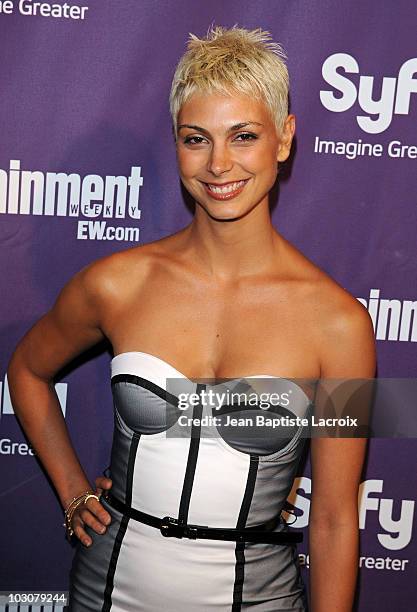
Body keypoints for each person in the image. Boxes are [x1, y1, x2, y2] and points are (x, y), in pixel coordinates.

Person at [7, 25, 376, 612]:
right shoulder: (118, 285)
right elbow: (26, 371)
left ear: (284, 139)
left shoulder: (339, 325)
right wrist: (75, 493)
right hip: (107, 593)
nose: (219, 163)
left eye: (244, 136)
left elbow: (332, 520)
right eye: (196, 138)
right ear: (176, 143)